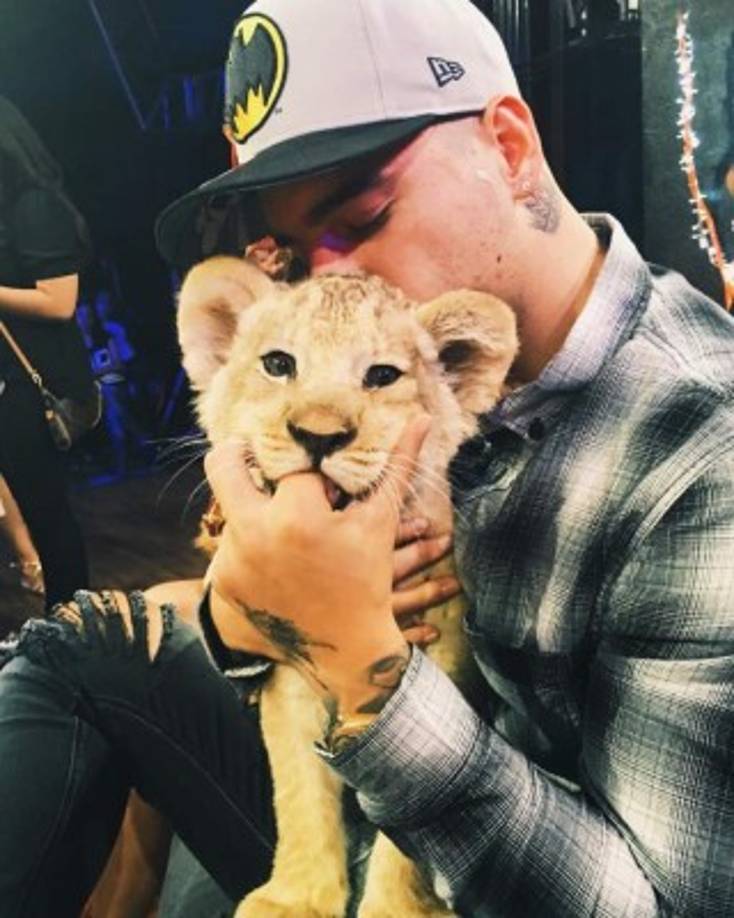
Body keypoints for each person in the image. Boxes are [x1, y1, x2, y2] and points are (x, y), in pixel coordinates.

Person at [1, 1, 733, 915]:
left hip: (485, 863)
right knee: (88, 642)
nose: (333, 287)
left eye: (363, 214)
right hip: (354, 787)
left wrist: (362, 667)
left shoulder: (703, 460)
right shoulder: (429, 356)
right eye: (295, 250)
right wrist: (244, 612)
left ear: (509, 148)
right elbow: (272, 613)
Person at [0, 95, 95, 608]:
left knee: (49, 516)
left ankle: (71, 625)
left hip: (36, 384)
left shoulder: (33, 205)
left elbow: (59, 301)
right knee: (41, 514)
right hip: (11, 384)